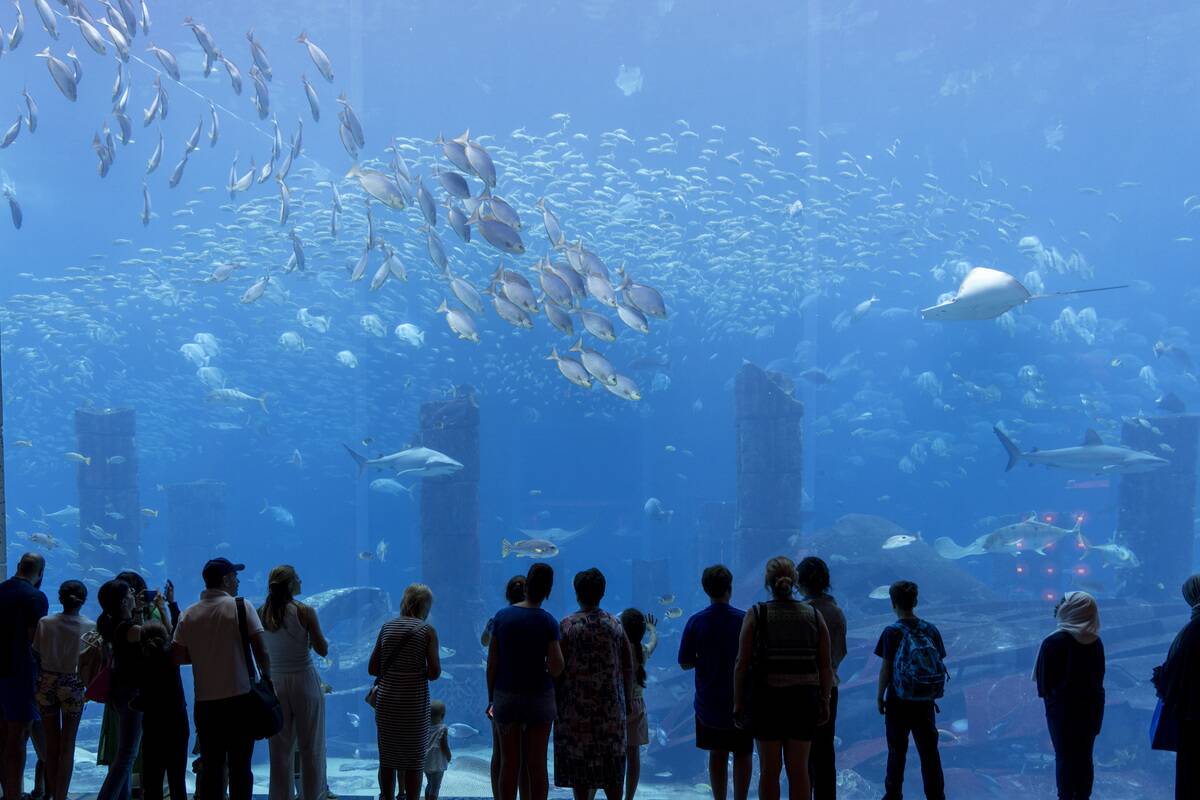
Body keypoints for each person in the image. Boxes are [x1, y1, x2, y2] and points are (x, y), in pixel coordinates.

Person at [172, 558, 273, 800]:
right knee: (240, 767)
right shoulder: (241, 606)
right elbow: (262, 649)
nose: (237, 581)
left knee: (212, 767)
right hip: (240, 699)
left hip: (206, 704)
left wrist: (203, 654)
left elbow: (176, 656)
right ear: (226, 579)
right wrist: (268, 678)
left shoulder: (188, 613)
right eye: (234, 576)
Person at [733, 556, 832, 800]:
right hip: (804, 700)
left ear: (768, 583)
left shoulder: (756, 614)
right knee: (799, 770)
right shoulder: (813, 614)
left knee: (769, 771)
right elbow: (825, 665)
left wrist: (738, 702)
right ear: (794, 581)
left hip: (767, 700)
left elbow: (741, 663)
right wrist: (825, 699)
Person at [554, 568, 633, 800]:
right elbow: (628, 665)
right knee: (613, 771)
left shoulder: (567, 626)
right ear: (603, 593)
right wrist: (626, 700)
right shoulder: (615, 625)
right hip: (610, 712)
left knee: (581, 771)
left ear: (577, 593)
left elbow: (557, 668)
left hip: (576, 713)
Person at [488, 564, 563, 800]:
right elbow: (557, 666)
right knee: (537, 764)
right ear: (548, 590)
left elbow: (492, 664)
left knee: (509, 763)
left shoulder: (502, 617)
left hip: (506, 696)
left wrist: (492, 698)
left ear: (527, 585)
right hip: (539, 698)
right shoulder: (549, 622)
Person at [679, 565, 753, 800]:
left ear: (705, 590)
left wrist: (702, 659)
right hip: (740, 700)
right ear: (730, 589)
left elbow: (685, 662)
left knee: (717, 753)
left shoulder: (696, 622)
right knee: (742, 752)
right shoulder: (744, 620)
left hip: (708, 703)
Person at [259, 565, 329, 800]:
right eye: (297, 578)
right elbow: (323, 649)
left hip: (276, 683)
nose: (301, 580)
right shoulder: (305, 611)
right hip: (304, 681)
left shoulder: (260, 613)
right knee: (311, 749)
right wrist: (309, 638)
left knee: (279, 752)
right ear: (290, 585)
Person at [874, 580, 947, 800]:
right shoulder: (930, 629)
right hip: (925, 701)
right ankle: (936, 796)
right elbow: (939, 660)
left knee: (897, 751)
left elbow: (886, 668)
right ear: (915, 601)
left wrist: (880, 696)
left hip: (898, 701)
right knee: (929, 753)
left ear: (892, 603)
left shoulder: (891, 632)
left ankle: (893, 795)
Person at [368, 584, 441, 800]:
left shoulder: (387, 627)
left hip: (387, 702)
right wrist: (415, 670)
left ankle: (387, 797)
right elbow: (435, 672)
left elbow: (372, 668)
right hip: (414, 705)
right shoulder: (427, 631)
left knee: (388, 760)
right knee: (414, 761)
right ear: (425, 607)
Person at [96, 578, 166, 800]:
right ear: (124, 600)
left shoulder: (115, 624)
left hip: (120, 692)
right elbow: (161, 636)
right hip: (131, 693)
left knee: (123, 753)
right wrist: (163, 609)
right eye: (130, 594)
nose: (134, 595)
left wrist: (139, 610)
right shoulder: (126, 628)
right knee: (127, 755)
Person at [1034, 592, 1104, 800]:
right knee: (1085, 757)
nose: (1059, 605)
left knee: (1064, 757)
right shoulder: (1095, 642)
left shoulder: (1052, 642)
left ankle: (1065, 797)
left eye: (1064, 602)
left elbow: (1043, 686)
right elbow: (1099, 678)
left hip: (1061, 711)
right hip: (1091, 708)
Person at [33, 579, 94, 800]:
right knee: (68, 745)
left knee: (51, 745)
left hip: (47, 682)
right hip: (73, 685)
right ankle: (61, 796)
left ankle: (51, 794)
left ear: (60, 598)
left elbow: (37, 652)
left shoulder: (45, 623)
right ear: (84, 600)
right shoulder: (90, 626)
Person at [796, 557, 847, 800]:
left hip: (801, 689)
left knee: (802, 749)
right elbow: (841, 651)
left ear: (800, 582)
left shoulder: (801, 612)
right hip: (829, 688)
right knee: (825, 750)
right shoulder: (836, 612)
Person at [0, 552, 48, 800]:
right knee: (18, 738)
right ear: (40, 574)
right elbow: (34, 639)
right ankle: (13, 795)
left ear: (19, 566)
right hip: (20, 674)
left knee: (2, 737)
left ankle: (7, 792)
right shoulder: (35, 598)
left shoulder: (0, 590)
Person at [482, 576, 530, 800]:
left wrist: (490, 697)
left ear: (507, 595)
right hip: (531, 692)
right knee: (525, 754)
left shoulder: (498, 619)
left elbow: (484, 643)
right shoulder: (537, 618)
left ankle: (498, 796)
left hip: (501, 692)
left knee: (500, 752)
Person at [139, 580, 188, 800]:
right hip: (177, 719)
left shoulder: (140, 657)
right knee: (177, 778)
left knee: (152, 778)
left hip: (152, 722)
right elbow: (178, 628)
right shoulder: (172, 656)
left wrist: (144, 610)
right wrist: (167, 604)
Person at [1154, 574, 1200, 799]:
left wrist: (1161, 677)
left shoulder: (1192, 630)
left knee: (1191, 778)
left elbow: (1176, 672)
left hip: (1193, 717)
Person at [618, 609, 657, 800]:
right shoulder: (642, 651)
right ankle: (629, 797)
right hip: (637, 706)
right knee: (634, 755)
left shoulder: (617, 650)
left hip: (618, 705)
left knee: (616, 754)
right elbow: (653, 644)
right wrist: (652, 630)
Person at [424, 700, 451, 800]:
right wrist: (448, 755)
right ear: (442, 715)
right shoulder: (443, 728)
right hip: (438, 762)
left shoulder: (425, 727)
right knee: (436, 786)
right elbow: (444, 745)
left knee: (429, 783)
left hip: (426, 761)